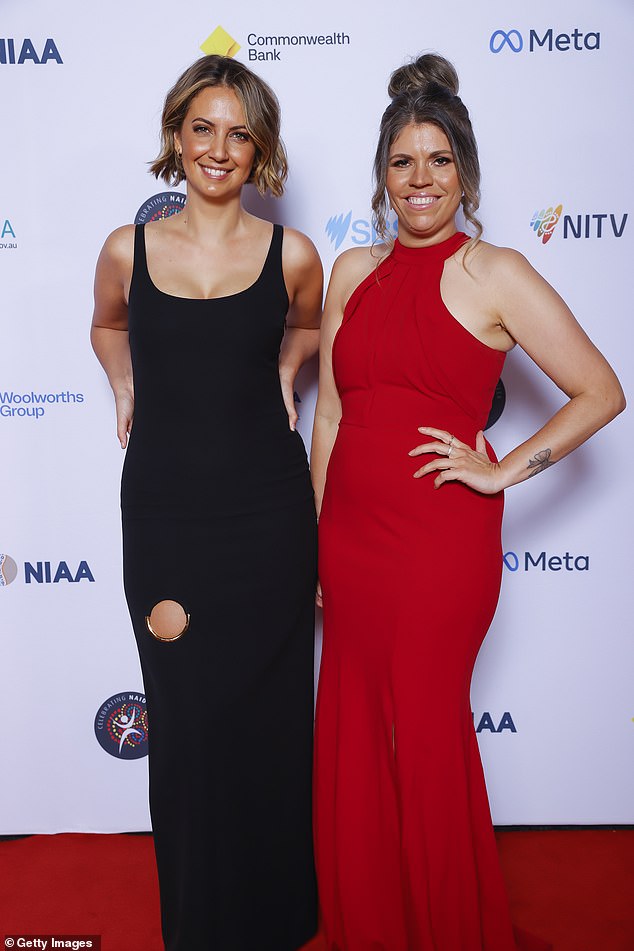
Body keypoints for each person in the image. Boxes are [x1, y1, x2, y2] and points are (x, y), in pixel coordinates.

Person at [311, 53, 625, 951]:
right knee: (355, 734)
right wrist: (316, 537)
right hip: (352, 541)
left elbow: (600, 390)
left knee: (426, 734)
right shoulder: (350, 271)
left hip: (437, 544)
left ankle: (448, 929)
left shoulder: (497, 273)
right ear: (382, 174)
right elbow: (330, 414)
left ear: (467, 173)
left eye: (439, 161)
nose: (420, 180)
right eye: (403, 161)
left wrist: (499, 470)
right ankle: (373, 925)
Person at [91, 55, 322, 951]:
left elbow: (303, 324)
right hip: (164, 515)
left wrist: (287, 372)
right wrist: (122, 386)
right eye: (202, 128)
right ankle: (199, 922)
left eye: (238, 132)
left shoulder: (292, 253)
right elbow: (109, 323)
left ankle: (279, 919)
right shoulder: (128, 247)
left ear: (258, 145)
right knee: (186, 722)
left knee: (267, 720)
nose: (218, 149)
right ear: (175, 135)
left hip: (268, 511)